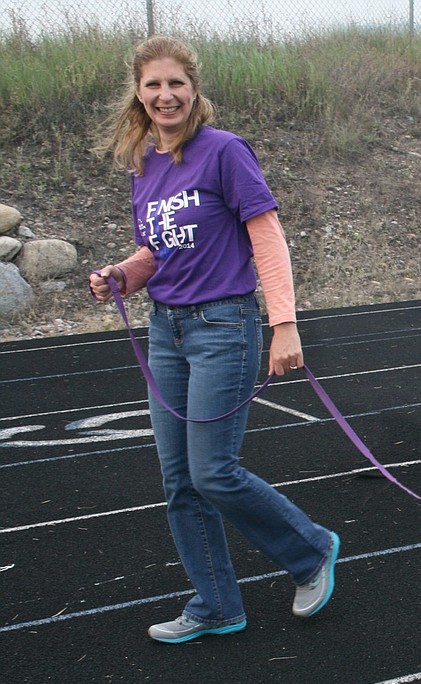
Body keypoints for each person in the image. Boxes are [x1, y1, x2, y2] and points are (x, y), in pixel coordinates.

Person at [89, 35, 339, 644]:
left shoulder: (224, 151)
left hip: (223, 326)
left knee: (214, 472)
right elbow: (161, 248)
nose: (165, 95)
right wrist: (123, 274)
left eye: (176, 83)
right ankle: (217, 604)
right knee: (179, 481)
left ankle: (311, 549)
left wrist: (285, 324)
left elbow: (266, 236)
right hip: (166, 329)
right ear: (139, 93)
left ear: (194, 89)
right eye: (153, 85)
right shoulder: (144, 165)